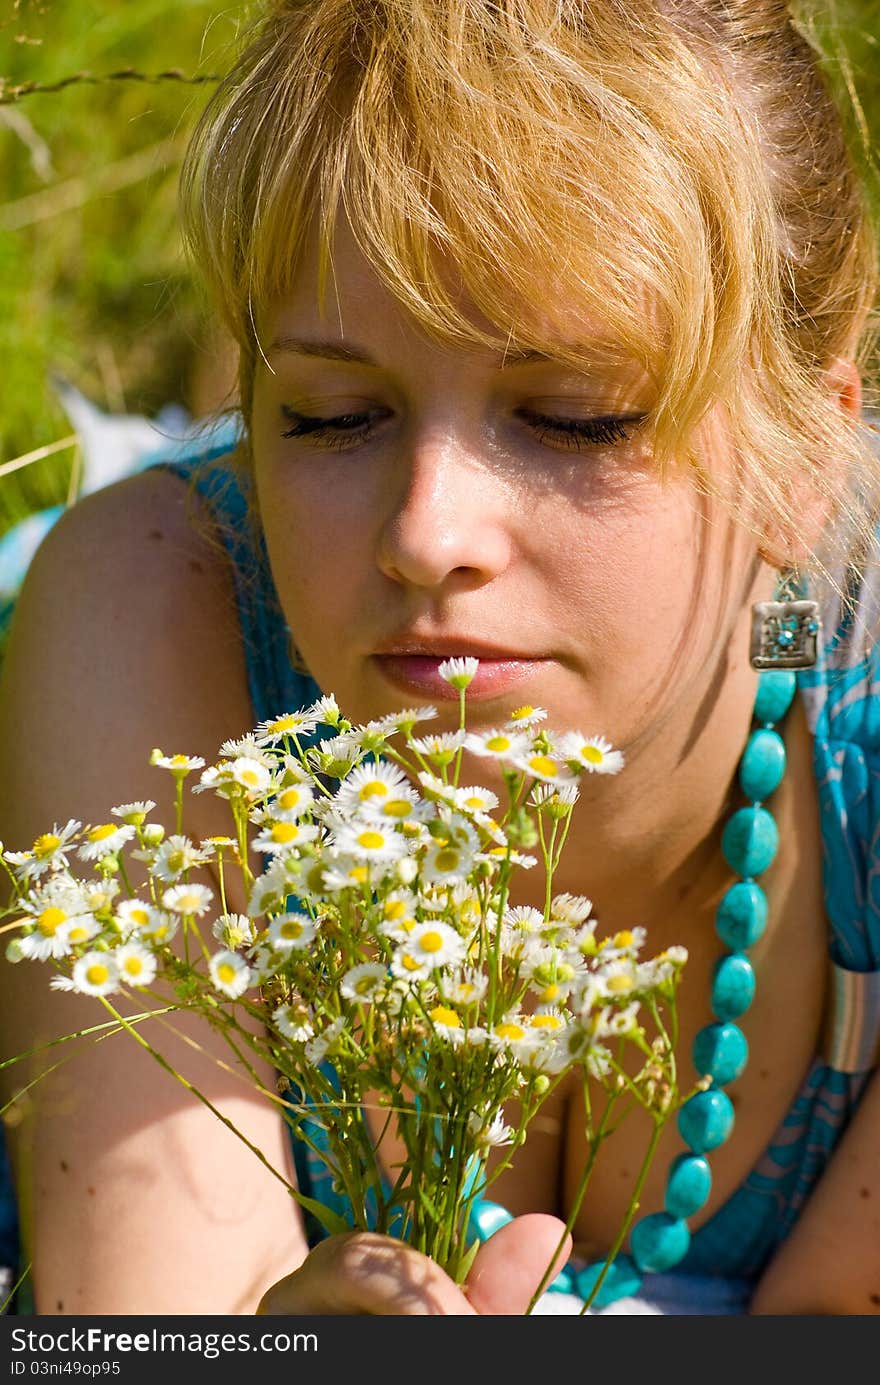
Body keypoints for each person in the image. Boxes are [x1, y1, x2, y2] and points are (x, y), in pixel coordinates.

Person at [1, 0, 879, 1316]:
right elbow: (147, 1325)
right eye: (332, 412)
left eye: (575, 417)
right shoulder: (157, 603)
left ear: (805, 453)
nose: (427, 533)